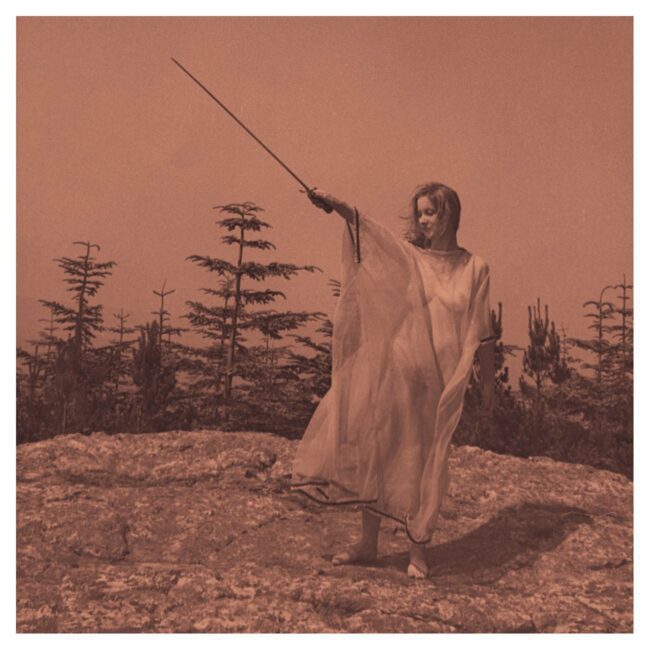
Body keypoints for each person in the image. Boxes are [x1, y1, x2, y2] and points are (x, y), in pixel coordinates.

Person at [290, 183, 496, 579]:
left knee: (424, 458)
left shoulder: (476, 269)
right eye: (420, 213)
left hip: (438, 380)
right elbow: (370, 233)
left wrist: (487, 385)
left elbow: (482, 333)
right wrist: (336, 205)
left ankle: (417, 549)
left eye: (430, 212)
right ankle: (368, 544)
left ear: (449, 214)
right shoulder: (412, 258)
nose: (423, 220)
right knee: (380, 448)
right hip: (398, 367)